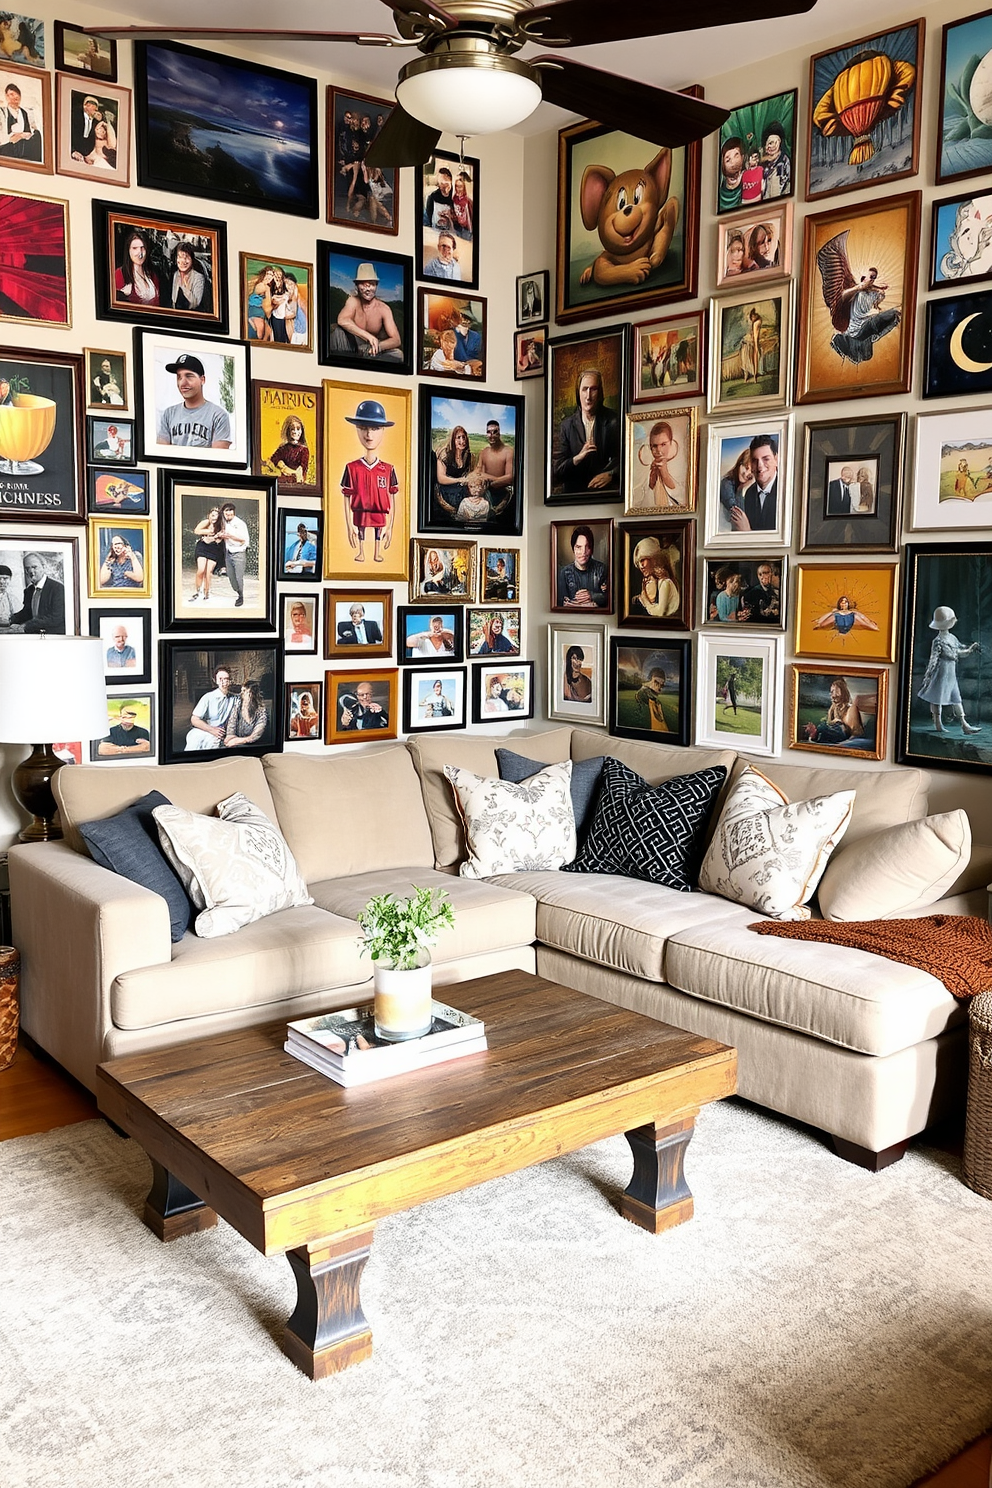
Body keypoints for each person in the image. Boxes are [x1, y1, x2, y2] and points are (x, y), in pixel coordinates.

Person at [340, 398, 398, 565]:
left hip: (379, 511)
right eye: (364, 428)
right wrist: (348, 527)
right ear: (357, 430)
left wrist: (391, 527)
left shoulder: (388, 469)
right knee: (361, 530)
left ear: (382, 431)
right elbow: (346, 496)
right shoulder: (352, 468)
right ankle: (361, 552)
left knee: (378, 531)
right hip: (360, 511)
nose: (369, 435)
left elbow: (392, 497)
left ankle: (377, 552)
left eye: (375, 428)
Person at [553, 367, 619, 494]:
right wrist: (577, 458)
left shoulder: (613, 420)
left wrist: (611, 474)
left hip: (605, 495)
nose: (588, 396)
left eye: (593, 389)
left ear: (600, 393)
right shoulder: (567, 426)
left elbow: (626, 459)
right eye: (584, 389)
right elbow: (558, 471)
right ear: (578, 393)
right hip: (575, 496)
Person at [918, 605, 982, 735]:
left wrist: (970, 650)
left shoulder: (952, 638)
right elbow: (934, 658)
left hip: (950, 673)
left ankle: (964, 725)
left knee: (956, 698)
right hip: (941, 673)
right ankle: (938, 723)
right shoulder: (938, 641)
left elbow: (958, 652)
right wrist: (929, 675)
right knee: (937, 697)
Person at [327, 263, 403, 362]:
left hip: (371, 349)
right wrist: (368, 336)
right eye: (363, 284)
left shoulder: (384, 308)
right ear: (357, 286)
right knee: (338, 332)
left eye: (371, 284)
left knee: (399, 355)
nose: (367, 289)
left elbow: (396, 339)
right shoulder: (353, 301)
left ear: (376, 285)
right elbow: (342, 319)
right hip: (350, 345)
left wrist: (378, 346)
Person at [157, 353, 232, 449]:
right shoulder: (168, 414)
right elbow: (161, 453)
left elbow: (219, 459)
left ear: (202, 380)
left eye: (189, 376)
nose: (182, 383)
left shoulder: (218, 415)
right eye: (179, 377)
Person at [829, 266, 900, 366]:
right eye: (870, 277)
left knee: (893, 315)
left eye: (874, 277)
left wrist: (878, 290)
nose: (872, 280)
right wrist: (860, 287)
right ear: (863, 279)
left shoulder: (873, 294)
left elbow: (878, 292)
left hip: (865, 328)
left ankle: (856, 345)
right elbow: (842, 296)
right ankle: (845, 342)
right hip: (855, 330)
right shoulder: (856, 292)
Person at [732, 434, 778, 533]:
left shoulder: (786, 491)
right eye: (754, 461)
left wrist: (747, 531)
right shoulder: (749, 493)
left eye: (766, 459)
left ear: (776, 460)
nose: (760, 466)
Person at [633, 420, 682, 509]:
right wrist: (651, 483)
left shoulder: (680, 466)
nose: (658, 451)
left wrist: (665, 475)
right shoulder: (644, 467)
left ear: (671, 442)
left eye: (663, 444)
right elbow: (638, 505)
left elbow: (683, 500)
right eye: (655, 446)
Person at [185, 666, 237, 749]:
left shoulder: (234, 698)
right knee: (196, 741)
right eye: (220, 679)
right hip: (204, 729)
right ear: (215, 680)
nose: (224, 682)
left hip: (221, 732)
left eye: (226, 679)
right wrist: (211, 730)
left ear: (230, 681)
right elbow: (194, 719)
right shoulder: (208, 697)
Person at [557, 525, 607, 609]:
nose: (583, 552)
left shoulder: (602, 569)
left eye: (587, 547)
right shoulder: (564, 572)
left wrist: (592, 596)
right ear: (573, 549)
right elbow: (560, 602)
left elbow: (611, 598)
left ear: (591, 549)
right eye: (578, 547)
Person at [12, 552, 65, 633]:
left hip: (53, 636)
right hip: (34, 635)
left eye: (34, 567)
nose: (31, 571)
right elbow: (27, 612)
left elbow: (56, 618)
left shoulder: (58, 588)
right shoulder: (29, 590)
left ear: (44, 567)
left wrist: (26, 626)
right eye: (27, 568)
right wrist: (10, 619)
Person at [804, 677, 864, 746]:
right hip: (834, 737)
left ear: (841, 692)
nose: (831, 695)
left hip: (844, 739)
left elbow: (855, 734)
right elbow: (829, 725)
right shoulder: (833, 708)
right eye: (831, 692)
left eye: (833, 691)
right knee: (821, 728)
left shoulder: (851, 710)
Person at [631, 536, 679, 619]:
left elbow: (660, 613)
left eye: (643, 560)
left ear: (654, 559)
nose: (641, 566)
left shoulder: (665, 583)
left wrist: (645, 600)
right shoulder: (648, 583)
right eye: (638, 563)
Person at [115, 228, 161, 307]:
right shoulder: (119, 275)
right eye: (135, 248)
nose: (140, 253)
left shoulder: (153, 275)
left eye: (142, 248)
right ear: (128, 250)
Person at [435, 424, 472, 518]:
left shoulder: (467, 455)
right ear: (452, 440)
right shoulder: (445, 455)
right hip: (446, 491)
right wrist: (459, 480)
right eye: (458, 438)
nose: (462, 441)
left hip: (460, 489)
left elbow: (468, 474)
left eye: (464, 437)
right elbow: (441, 478)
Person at [190, 506, 224, 603]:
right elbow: (197, 531)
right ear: (209, 515)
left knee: (208, 572)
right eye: (212, 515)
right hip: (202, 547)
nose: (214, 518)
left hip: (214, 548)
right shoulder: (205, 522)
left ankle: (206, 592)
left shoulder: (221, 525)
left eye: (216, 516)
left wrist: (211, 538)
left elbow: (218, 539)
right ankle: (197, 591)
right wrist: (210, 532)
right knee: (201, 569)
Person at [0, 81, 41, 162]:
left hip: (22, 146)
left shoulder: (24, 113)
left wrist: (22, 135)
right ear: (7, 97)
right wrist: (14, 137)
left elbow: (27, 132)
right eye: (11, 94)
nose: (15, 97)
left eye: (16, 94)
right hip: (7, 146)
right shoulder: (2, 112)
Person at [220, 501, 249, 607]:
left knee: (238, 577)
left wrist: (229, 536)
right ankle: (238, 592)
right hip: (228, 552)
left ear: (234, 513)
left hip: (239, 553)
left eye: (231, 514)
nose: (228, 516)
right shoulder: (224, 522)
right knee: (231, 577)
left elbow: (243, 540)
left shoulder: (240, 524)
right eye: (226, 514)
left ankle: (241, 596)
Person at [223, 679, 268, 747]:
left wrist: (236, 741)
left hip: (254, 746)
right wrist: (230, 736)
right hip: (237, 743)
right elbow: (231, 724)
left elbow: (255, 736)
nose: (241, 693)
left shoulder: (261, 711)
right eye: (241, 691)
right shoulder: (238, 705)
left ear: (251, 694)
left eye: (244, 691)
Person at [268, 415, 310, 485]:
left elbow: (302, 471)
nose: (296, 432)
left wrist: (290, 471)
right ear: (288, 431)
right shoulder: (283, 448)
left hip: (296, 481)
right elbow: (273, 460)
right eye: (292, 429)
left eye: (298, 429)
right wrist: (281, 466)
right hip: (282, 480)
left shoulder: (304, 450)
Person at [812, 595, 879, 636]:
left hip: (850, 619)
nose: (844, 604)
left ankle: (873, 626)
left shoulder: (852, 613)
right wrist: (833, 612)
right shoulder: (836, 613)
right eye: (842, 602)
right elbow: (824, 619)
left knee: (863, 621)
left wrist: (870, 622)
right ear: (840, 604)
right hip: (839, 619)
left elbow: (863, 617)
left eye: (846, 602)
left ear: (848, 604)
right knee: (820, 624)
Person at [170, 243, 206, 313]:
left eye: (187, 257)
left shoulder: (198, 277)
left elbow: (195, 304)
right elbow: (173, 301)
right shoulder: (176, 274)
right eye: (180, 257)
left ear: (192, 259)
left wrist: (185, 288)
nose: (183, 261)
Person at [719, 447, 752, 523]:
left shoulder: (753, 489)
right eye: (746, 467)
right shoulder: (726, 483)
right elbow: (738, 514)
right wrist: (741, 489)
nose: (746, 474)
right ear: (739, 464)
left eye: (750, 475)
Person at [761, 121, 790, 199]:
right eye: (769, 143)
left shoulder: (784, 162)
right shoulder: (762, 161)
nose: (771, 146)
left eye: (774, 143)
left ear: (780, 143)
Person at [635, 668, 670, 732]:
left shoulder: (654, 699)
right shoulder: (643, 694)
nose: (659, 687)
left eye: (661, 685)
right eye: (656, 682)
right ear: (651, 679)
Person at [70, 92, 101, 160]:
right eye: (94, 105)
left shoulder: (95, 121)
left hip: (87, 154)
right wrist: (72, 151)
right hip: (72, 151)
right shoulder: (74, 116)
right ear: (86, 105)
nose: (96, 109)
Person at [246, 264, 274, 341]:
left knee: (268, 329)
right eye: (268, 274)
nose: (269, 276)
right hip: (255, 308)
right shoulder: (262, 286)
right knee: (260, 334)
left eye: (272, 275)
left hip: (260, 309)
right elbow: (268, 302)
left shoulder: (266, 286)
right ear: (264, 274)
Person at [423, 164, 454, 229]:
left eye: (446, 183)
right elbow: (426, 221)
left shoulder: (455, 197)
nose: (444, 186)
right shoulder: (432, 197)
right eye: (441, 183)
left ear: (451, 181)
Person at [718, 135, 744, 212]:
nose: (733, 163)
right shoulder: (722, 191)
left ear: (742, 157)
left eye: (736, 156)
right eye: (728, 160)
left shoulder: (747, 181)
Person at [451, 171, 473, 238]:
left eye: (460, 186)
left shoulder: (468, 201)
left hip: (467, 229)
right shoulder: (454, 199)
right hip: (457, 228)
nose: (458, 189)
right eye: (456, 186)